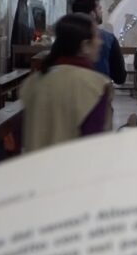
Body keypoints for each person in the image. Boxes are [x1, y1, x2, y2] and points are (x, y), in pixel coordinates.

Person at [20, 14, 113, 152]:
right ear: (85, 46)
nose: (101, 42)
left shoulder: (34, 81)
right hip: (73, 171)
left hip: (34, 169)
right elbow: (94, 146)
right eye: (97, 36)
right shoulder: (94, 86)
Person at [71, 0, 127, 84]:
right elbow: (120, 77)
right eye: (99, 8)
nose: (102, 11)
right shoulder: (108, 39)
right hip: (98, 93)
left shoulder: (63, 37)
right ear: (92, 13)